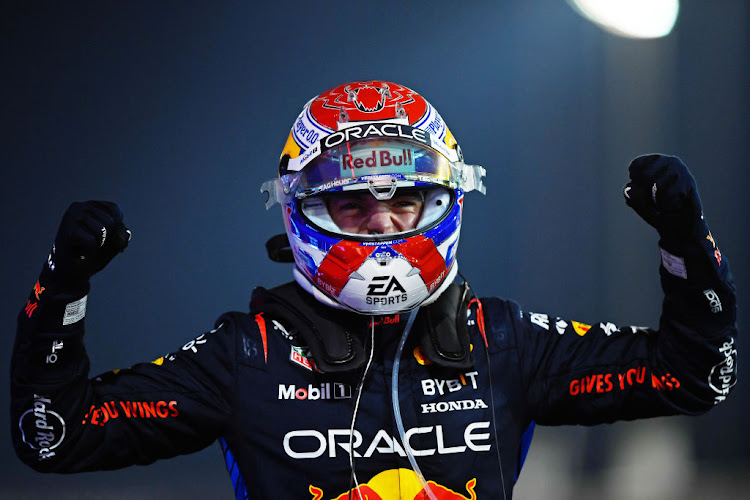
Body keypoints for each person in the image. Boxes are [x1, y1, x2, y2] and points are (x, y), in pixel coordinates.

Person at [11, 80, 738, 499]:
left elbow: (696, 375)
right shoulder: (246, 354)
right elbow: (54, 435)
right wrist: (62, 286)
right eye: (353, 205)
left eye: (404, 202)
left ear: (444, 202)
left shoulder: (503, 341)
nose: (382, 225)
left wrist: (686, 245)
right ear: (301, 210)